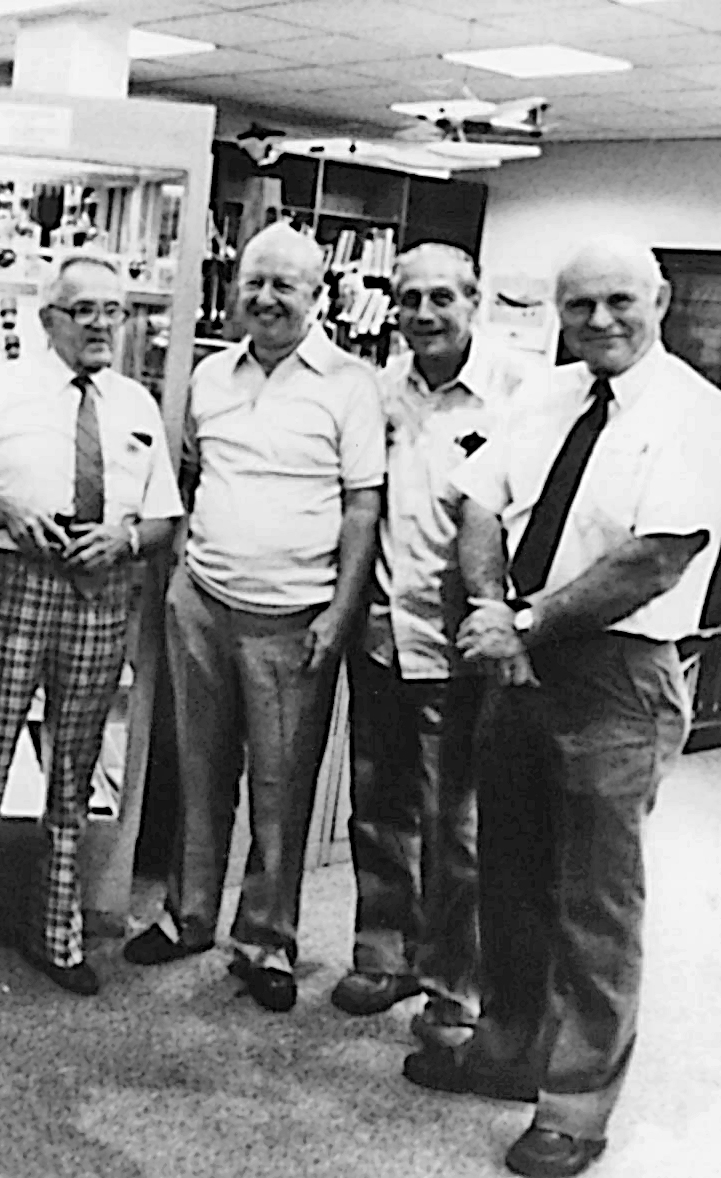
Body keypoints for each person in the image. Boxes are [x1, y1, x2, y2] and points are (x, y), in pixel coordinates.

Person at [402, 236, 721, 1178]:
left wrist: (524, 623)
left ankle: (576, 1106)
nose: (599, 322)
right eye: (578, 306)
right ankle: (508, 1048)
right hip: (520, 663)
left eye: (619, 301)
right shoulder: (547, 395)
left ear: (658, 299)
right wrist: (495, 608)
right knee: (510, 872)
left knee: (595, 900)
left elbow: (655, 559)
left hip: (618, 675)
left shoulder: (695, 416)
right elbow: (478, 505)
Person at [123, 223, 385, 1014]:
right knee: (197, 773)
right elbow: (196, 475)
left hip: (293, 615)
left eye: (285, 287)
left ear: (318, 296)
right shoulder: (209, 375)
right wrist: (178, 584)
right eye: (254, 283)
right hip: (202, 599)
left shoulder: (349, 384)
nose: (266, 299)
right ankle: (189, 915)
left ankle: (267, 940)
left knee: (280, 789)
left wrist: (340, 612)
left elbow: (362, 506)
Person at [0, 256, 182, 996]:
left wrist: (125, 539)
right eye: (86, 310)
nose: (103, 325)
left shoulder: (134, 404)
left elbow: (165, 515)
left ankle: (57, 934)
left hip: (102, 594)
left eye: (115, 311)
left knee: (74, 773)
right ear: (50, 320)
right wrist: (6, 511)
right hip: (14, 583)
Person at [331, 244, 536, 1036]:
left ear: (474, 301)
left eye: (441, 298)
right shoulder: (380, 391)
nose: (422, 313)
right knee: (379, 804)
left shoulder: (518, 394)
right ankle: (384, 956)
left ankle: (456, 982)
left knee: (460, 823)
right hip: (386, 632)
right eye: (408, 297)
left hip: (466, 640)